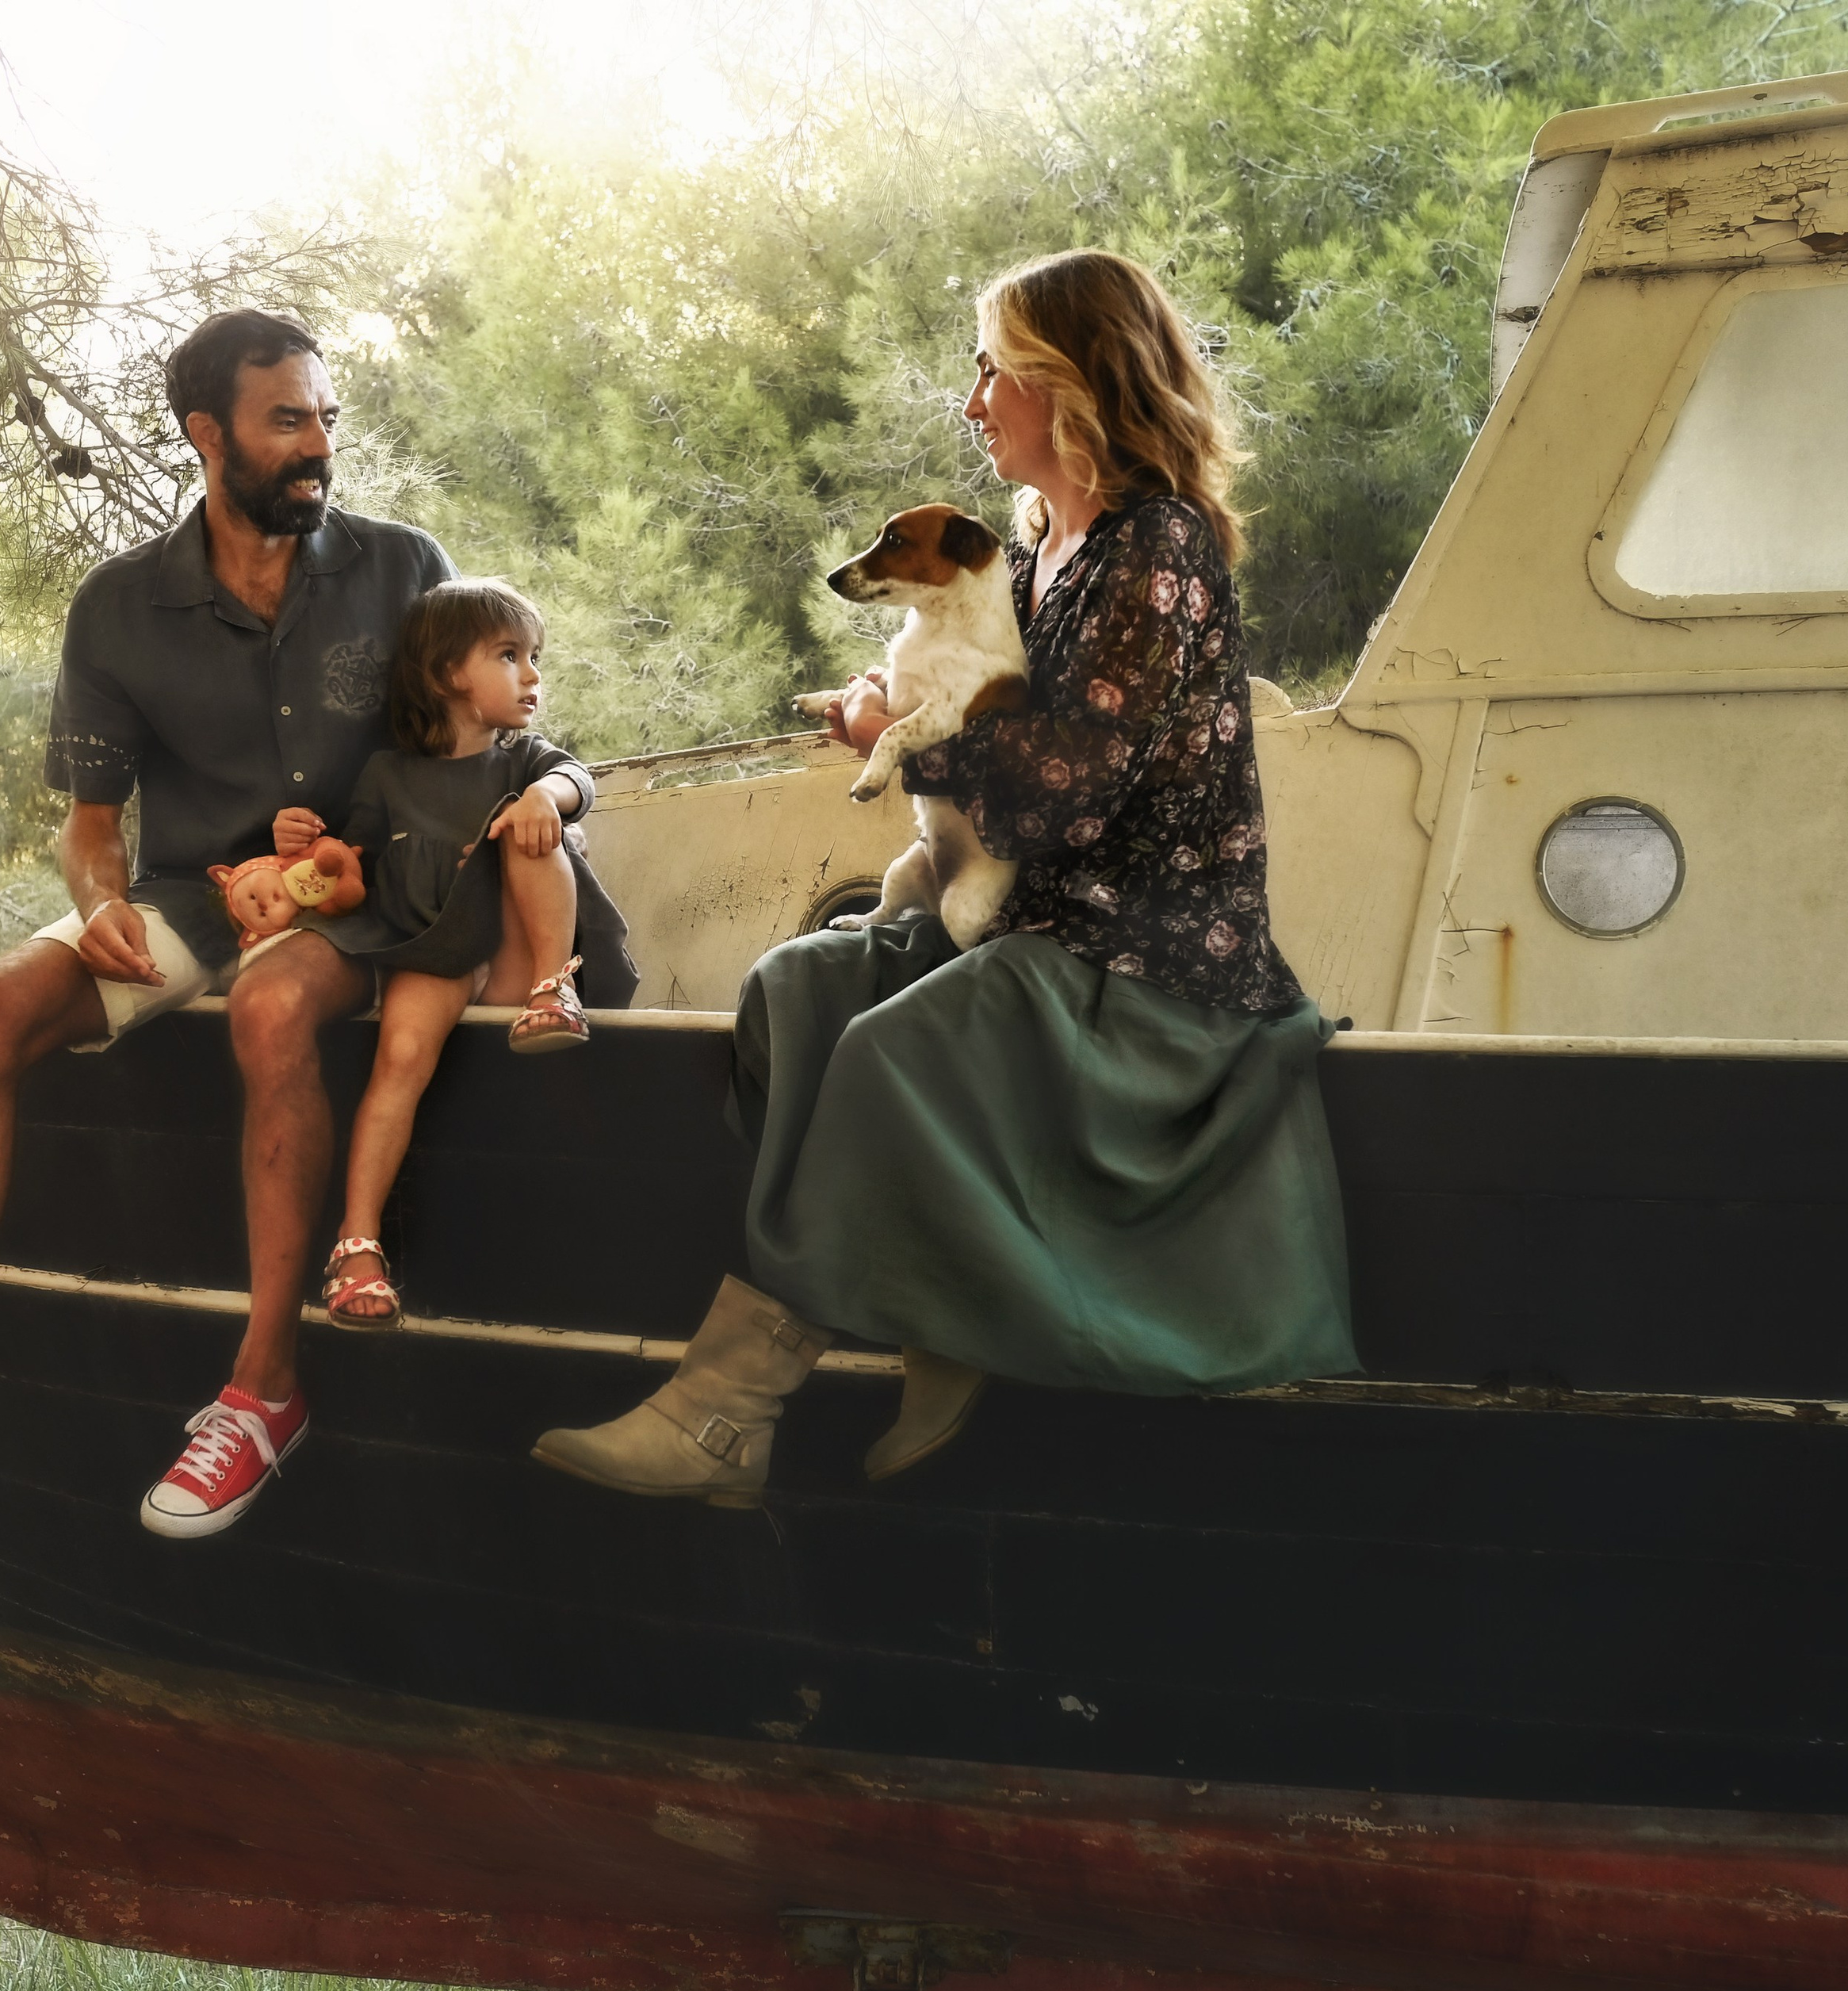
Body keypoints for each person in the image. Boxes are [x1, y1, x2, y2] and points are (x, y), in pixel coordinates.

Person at [532, 248, 1358, 1507]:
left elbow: (1072, 787)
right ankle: (943, 1310)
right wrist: (893, 700)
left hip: (1148, 961)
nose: (974, 402)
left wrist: (900, 743)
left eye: (993, 372)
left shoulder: (1159, 547)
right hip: (1032, 919)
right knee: (798, 990)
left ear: (1069, 382)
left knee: (893, 1050)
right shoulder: (1040, 551)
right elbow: (989, 721)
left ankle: (723, 1414)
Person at [0, 309, 456, 1535]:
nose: (318, 442)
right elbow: (90, 819)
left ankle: (266, 1392)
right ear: (205, 433)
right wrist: (99, 903)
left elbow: (483, 743)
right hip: (193, 901)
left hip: (370, 900)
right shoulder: (117, 606)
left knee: (272, 1009)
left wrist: (371, 869)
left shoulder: (401, 566)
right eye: (288, 420)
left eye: (326, 415)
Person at [307, 576, 637, 1328]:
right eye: (509, 654)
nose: (533, 675)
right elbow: (350, 864)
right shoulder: (388, 774)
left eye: (535, 657)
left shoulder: (521, 761)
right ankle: (356, 1246)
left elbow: (576, 779)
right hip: (435, 951)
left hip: (520, 955)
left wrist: (543, 802)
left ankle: (559, 988)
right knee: (399, 1062)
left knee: (528, 826)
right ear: (447, 674)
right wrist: (321, 852)